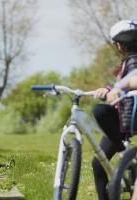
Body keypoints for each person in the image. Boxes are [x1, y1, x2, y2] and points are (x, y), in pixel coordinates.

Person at [92, 20, 137, 200]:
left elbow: (133, 80)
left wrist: (115, 90)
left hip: (127, 118)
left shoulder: (133, 60)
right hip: (124, 117)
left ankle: (129, 161)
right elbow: (126, 81)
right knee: (98, 163)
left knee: (100, 112)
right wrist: (110, 89)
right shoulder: (128, 61)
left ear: (118, 45)